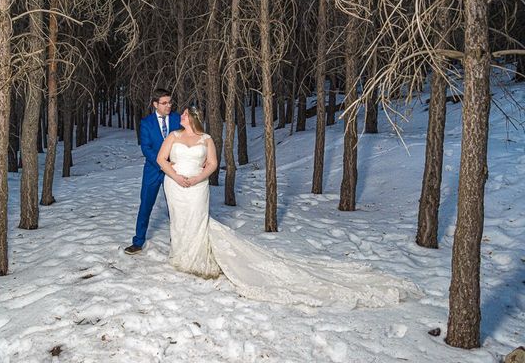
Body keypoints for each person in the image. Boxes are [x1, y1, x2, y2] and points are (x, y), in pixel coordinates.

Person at [156, 106, 422, 309]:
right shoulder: (174, 136)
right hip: (175, 184)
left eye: (185, 115)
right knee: (179, 220)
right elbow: (161, 159)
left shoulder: (206, 139)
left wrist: (198, 178)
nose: (181, 116)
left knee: (198, 219)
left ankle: (197, 257)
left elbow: (213, 164)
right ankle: (181, 254)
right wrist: (177, 177)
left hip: (197, 186)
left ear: (194, 118)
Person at [124, 88, 181, 255]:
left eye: (170, 102)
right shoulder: (146, 123)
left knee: (175, 205)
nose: (168, 105)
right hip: (153, 170)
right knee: (146, 205)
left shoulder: (178, 119)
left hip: (175, 170)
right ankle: (138, 241)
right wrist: (163, 164)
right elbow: (146, 148)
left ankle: (177, 240)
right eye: (164, 103)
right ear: (155, 104)